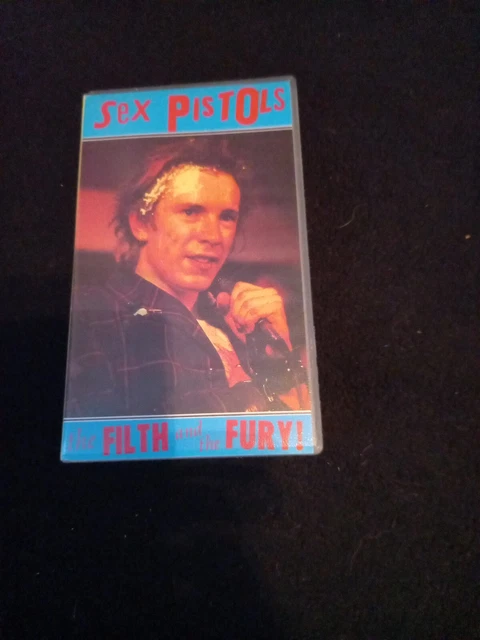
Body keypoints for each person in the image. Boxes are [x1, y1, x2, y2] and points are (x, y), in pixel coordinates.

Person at [65, 138, 309, 417]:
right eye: (191, 212)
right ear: (141, 223)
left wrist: (279, 355)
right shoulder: (89, 316)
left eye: (227, 217)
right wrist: (252, 398)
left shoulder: (239, 327)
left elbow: (295, 429)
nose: (213, 236)